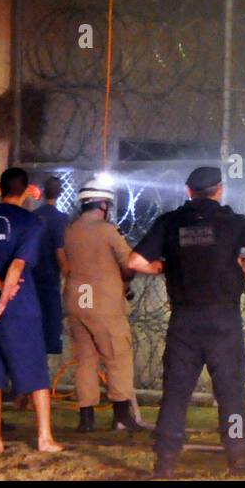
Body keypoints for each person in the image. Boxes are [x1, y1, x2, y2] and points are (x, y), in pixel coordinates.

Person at [127, 166, 245, 478]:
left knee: (176, 393)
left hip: (185, 320)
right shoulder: (232, 223)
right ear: (219, 190)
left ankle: (165, 462)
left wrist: (163, 268)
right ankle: (239, 459)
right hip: (223, 320)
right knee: (231, 393)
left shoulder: (170, 223)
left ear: (188, 191)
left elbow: (135, 261)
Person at [0, 167, 62, 455]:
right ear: (27, 189)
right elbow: (17, 266)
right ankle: (44, 438)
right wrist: (2, 303)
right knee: (36, 375)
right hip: (19, 309)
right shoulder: (30, 223)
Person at [63, 178, 158, 432]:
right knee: (118, 356)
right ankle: (121, 417)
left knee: (85, 360)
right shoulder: (108, 231)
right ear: (103, 204)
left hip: (77, 300)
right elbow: (128, 265)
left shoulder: (70, 230)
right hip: (104, 303)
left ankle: (86, 420)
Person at [32, 176, 68, 365]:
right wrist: (69, 275)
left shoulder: (32, 216)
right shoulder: (60, 219)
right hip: (50, 281)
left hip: (30, 281)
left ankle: (26, 387)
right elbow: (60, 250)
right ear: (60, 193)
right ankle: (40, 384)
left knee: (31, 332)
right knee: (49, 332)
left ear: (43, 192)